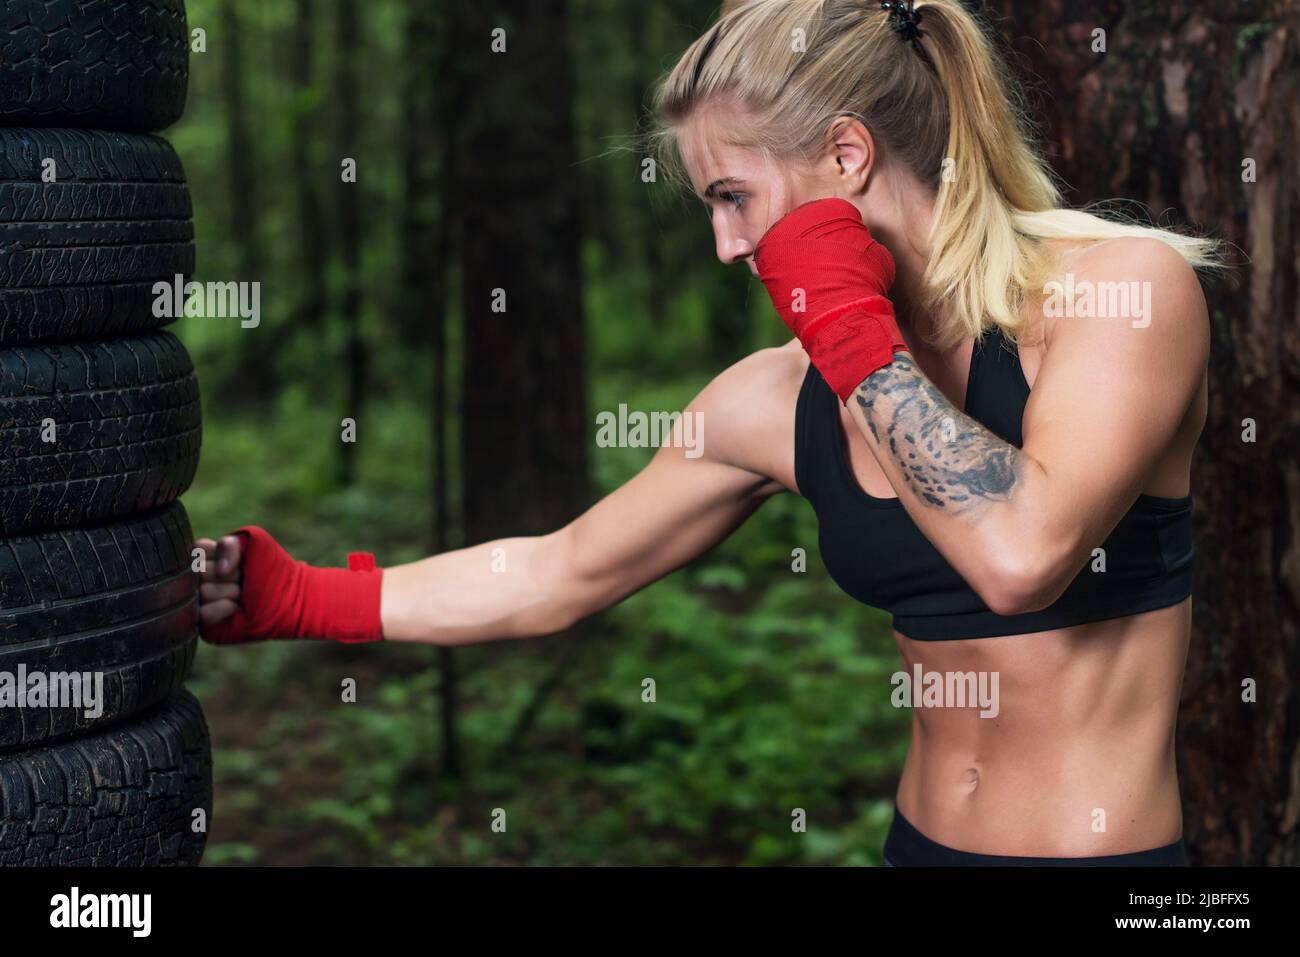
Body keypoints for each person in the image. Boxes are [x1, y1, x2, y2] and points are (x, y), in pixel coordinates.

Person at [196, 0, 1224, 866]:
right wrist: (301, 596)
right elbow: (556, 573)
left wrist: (847, 328)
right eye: (708, 208)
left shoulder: (1118, 296)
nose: (727, 244)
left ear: (847, 154)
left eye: (734, 198)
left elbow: (1018, 556)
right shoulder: (769, 400)